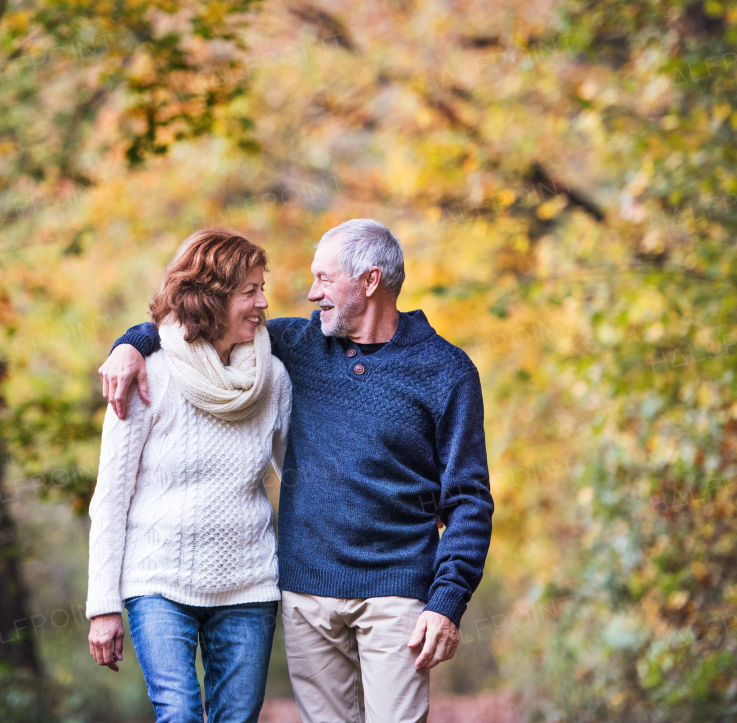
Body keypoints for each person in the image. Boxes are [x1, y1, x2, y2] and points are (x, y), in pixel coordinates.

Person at [100, 219, 493, 723]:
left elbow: (470, 501)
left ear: (370, 282)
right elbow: (198, 323)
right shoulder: (294, 346)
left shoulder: (447, 371)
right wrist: (131, 343)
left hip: (398, 593)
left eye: (325, 280)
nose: (311, 294)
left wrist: (447, 601)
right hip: (307, 593)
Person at [86, 228, 292, 723]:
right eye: (250, 291)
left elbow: (300, 480)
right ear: (211, 296)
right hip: (157, 580)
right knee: (177, 713)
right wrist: (103, 606)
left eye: (262, 288)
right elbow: (111, 497)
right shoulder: (145, 375)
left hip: (250, 584)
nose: (264, 302)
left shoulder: (273, 379)